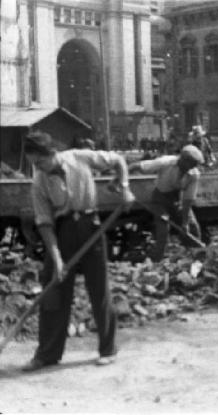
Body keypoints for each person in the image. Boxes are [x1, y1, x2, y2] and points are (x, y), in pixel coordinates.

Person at [21, 130, 135, 371]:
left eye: (40, 162)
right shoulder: (39, 181)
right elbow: (44, 223)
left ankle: (108, 348)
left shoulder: (79, 157)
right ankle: (47, 354)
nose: (39, 168)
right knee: (53, 293)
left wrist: (124, 187)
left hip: (91, 228)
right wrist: (58, 259)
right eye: (34, 165)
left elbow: (118, 161)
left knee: (99, 289)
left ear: (51, 153)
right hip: (62, 233)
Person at [129, 145, 205, 261]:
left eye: (195, 165)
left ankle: (196, 257)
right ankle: (158, 260)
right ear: (182, 160)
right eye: (192, 164)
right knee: (163, 229)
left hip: (177, 199)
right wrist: (120, 176)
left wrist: (185, 223)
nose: (193, 168)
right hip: (160, 200)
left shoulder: (194, 174)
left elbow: (187, 199)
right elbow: (137, 166)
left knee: (192, 226)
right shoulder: (166, 162)